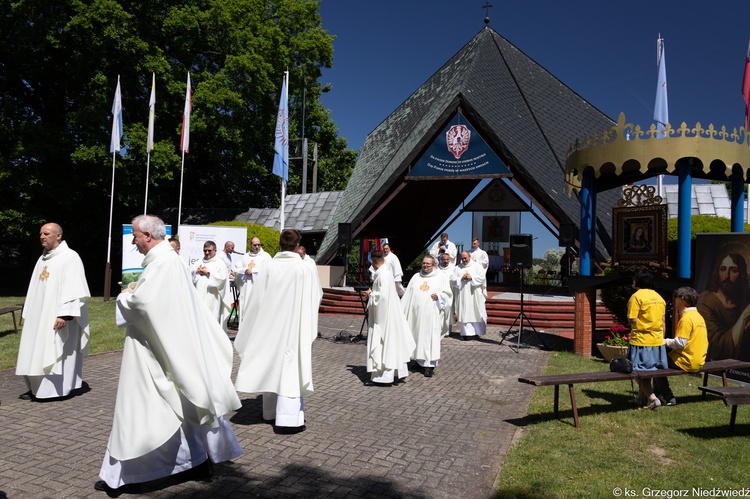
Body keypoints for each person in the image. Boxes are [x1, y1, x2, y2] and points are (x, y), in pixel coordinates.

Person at [97, 215, 242, 494]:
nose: (133, 241)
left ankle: (130, 473)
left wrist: (124, 296)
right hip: (162, 343)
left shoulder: (163, 262)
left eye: (136, 236)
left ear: (149, 236)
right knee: (177, 404)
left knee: (148, 406)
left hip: (156, 349)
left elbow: (144, 304)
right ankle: (195, 460)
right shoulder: (165, 261)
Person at [234, 229, 323, 434]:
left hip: (271, 326)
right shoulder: (303, 268)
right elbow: (315, 296)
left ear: (280, 244)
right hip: (294, 326)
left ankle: (270, 412)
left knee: (271, 363)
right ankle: (288, 420)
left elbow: (256, 300)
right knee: (290, 368)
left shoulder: (269, 266)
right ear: (296, 245)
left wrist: (253, 326)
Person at [15, 223, 90, 401]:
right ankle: (36, 388)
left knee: (55, 349)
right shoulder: (42, 258)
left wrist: (64, 314)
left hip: (58, 316)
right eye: (40, 234)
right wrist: (29, 312)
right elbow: (35, 288)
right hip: (39, 316)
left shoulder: (70, 257)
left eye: (46, 233)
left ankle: (56, 390)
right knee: (36, 348)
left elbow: (74, 287)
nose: (42, 236)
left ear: (58, 236)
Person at [362, 251, 416, 386]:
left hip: (384, 318)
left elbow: (383, 299)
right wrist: (373, 293)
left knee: (385, 344)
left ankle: (383, 378)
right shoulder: (384, 273)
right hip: (390, 314)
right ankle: (394, 373)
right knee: (392, 343)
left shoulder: (383, 275)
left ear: (373, 262)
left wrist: (370, 295)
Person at [653, 287, 709, 406]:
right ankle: (657, 395)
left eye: (676, 298)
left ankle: (668, 397)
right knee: (660, 362)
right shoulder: (699, 316)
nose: (675, 301)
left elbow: (680, 343)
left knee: (655, 364)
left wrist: (662, 341)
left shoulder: (686, 318)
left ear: (682, 299)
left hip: (686, 360)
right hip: (699, 360)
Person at [402, 255, 452, 377]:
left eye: (428, 264)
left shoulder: (440, 277)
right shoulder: (416, 276)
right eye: (423, 263)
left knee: (428, 338)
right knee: (416, 336)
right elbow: (408, 294)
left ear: (434, 265)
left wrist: (439, 296)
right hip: (415, 315)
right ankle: (418, 362)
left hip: (431, 315)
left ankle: (429, 365)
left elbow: (448, 295)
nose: (425, 266)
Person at [696, 252, 750, 361]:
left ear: (741, 274)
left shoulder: (742, 301)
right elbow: (719, 347)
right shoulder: (706, 301)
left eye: (733, 270)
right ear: (717, 272)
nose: (727, 276)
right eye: (723, 269)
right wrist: (745, 314)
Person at [627, 269, 668, 410]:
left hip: (641, 340)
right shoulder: (659, 297)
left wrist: (640, 325)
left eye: (634, 278)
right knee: (648, 372)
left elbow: (632, 319)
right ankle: (640, 398)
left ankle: (652, 398)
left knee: (637, 372)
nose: (633, 281)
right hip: (657, 341)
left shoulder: (636, 297)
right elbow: (663, 321)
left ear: (639, 281)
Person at [233, 236, 272, 327]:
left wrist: (254, 272)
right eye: (255, 245)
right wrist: (245, 270)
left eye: (259, 245)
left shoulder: (266, 256)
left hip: (259, 289)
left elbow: (269, 271)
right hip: (246, 289)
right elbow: (237, 269)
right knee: (245, 308)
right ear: (250, 245)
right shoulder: (245, 257)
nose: (257, 247)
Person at [191, 241, 229, 328]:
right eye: (205, 251)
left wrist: (208, 272)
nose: (207, 253)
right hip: (199, 295)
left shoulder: (220, 263)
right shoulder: (199, 261)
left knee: (210, 320)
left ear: (215, 250)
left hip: (212, 297)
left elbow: (222, 279)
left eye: (209, 250)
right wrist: (196, 271)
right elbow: (191, 274)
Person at [452, 251, 488, 340]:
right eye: (462, 258)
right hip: (464, 294)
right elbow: (452, 279)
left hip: (475, 294)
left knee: (476, 311)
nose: (464, 260)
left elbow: (482, 277)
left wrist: (472, 278)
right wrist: (460, 278)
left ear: (469, 256)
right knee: (465, 313)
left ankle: (476, 332)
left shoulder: (477, 266)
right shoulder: (457, 268)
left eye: (465, 258)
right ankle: (466, 334)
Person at [436, 253, 456, 336]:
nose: (446, 261)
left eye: (447, 259)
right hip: (440, 294)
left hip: (449, 293)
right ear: (441, 260)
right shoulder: (437, 269)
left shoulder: (453, 269)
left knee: (449, 311)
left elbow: (455, 279)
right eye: (444, 259)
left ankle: (448, 330)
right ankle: (440, 328)